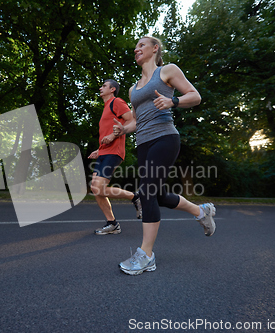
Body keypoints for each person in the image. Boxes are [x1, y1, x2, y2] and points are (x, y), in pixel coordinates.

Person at [112, 36, 216, 275]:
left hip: (165, 138)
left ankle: (146, 255)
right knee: (156, 195)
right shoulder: (133, 88)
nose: (136, 49)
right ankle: (202, 212)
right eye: (135, 47)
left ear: (155, 48)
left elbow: (195, 96)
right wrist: (122, 129)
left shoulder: (167, 71)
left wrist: (173, 101)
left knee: (146, 191)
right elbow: (137, 122)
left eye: (141, 45)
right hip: (144, 143)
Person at [88, 79, 142, 235]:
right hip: (104, 152)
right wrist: (99, 150)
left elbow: (132, 120)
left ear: (112, 89)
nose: (100, 87)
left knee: (98, 188)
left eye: (104, 86)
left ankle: (135, 196)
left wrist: (113, 135)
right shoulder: (106, 107)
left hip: (114, 151)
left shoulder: (116, 102)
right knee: (96, 190)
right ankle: (112, 224)